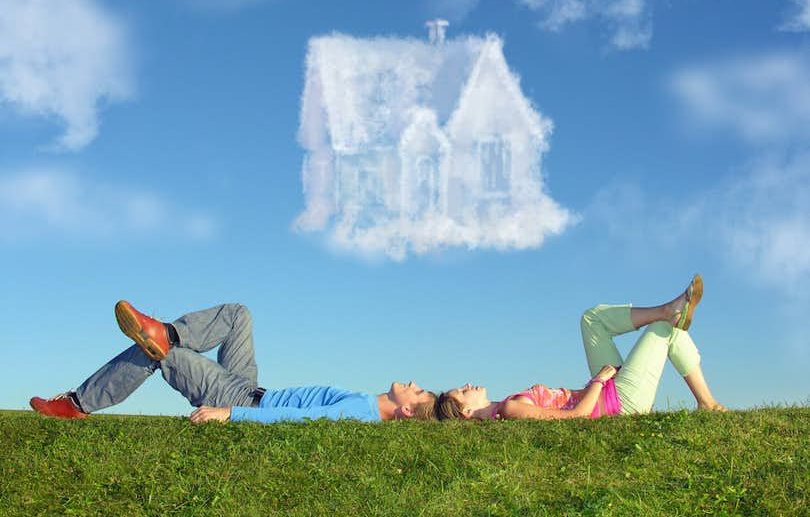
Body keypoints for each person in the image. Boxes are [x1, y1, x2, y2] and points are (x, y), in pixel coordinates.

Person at [30, 301, 437, 423]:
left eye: (417, 391)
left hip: (239, 400)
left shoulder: (363, 412)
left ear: (405, 408)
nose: (412, 382)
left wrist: (230, 415)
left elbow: (299, 420)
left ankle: (77, 404)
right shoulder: (365, 405)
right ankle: (166, 331)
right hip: (250, 386)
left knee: (164, 357)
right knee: (238, 315)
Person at [437, 274, 726, 421]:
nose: (467, 385)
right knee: (664, 332)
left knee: (592, 319)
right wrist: (599, 382)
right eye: (462, 392)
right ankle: (707, 403)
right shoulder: (511, 409)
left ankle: (666, 309)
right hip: (618, 404)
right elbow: (575, 420)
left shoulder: (505, 407)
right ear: (465, 412)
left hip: (608, 395)